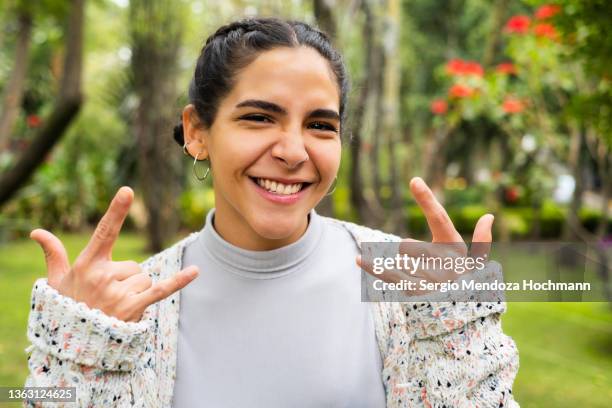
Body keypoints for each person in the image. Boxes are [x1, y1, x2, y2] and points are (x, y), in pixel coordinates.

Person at [24, 17, 519, 407]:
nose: (293, 150)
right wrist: (77, 351)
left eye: (321, 125)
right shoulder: (125, 308)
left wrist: (456, 331)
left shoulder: (411, 290)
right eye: (260, 117)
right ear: (197, 131)